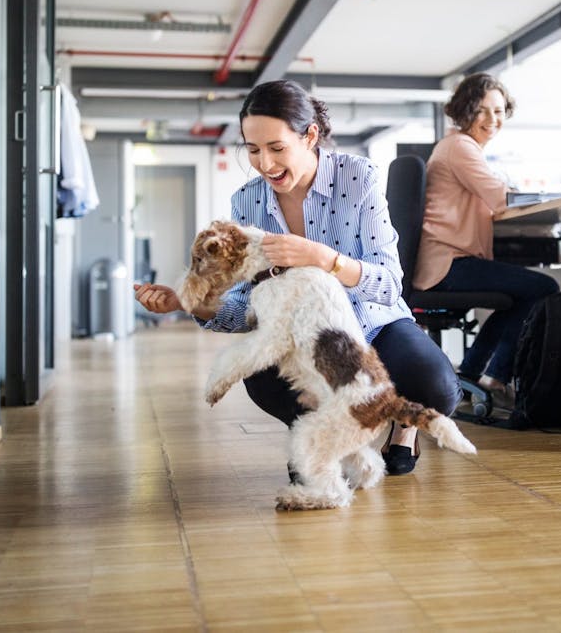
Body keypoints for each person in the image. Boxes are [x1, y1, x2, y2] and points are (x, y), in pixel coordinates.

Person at [134, 79, 459, 476]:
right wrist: (190, 301)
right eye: (253, 150)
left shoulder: (358, 178)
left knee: (436, 386)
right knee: (263, 379)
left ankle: (403, 429)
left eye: (276, 148)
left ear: (310, 136)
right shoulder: (247, 201)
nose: (265, 164)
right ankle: (314, 436)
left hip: (373, 323)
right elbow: (242, 307)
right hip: (303, 337)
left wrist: (325, 259)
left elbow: (389, 283)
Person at [412, 73, 559, 408]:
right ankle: (495, 377)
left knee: (516, 296)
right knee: (544, 288)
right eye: (483, 111)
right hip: (449, 263)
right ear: (466, 111)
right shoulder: (460, 147)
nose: (492, 120)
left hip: (449, 261)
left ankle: (473, 373)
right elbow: (500, 197)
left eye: (499, 111)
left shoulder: (458, 147)